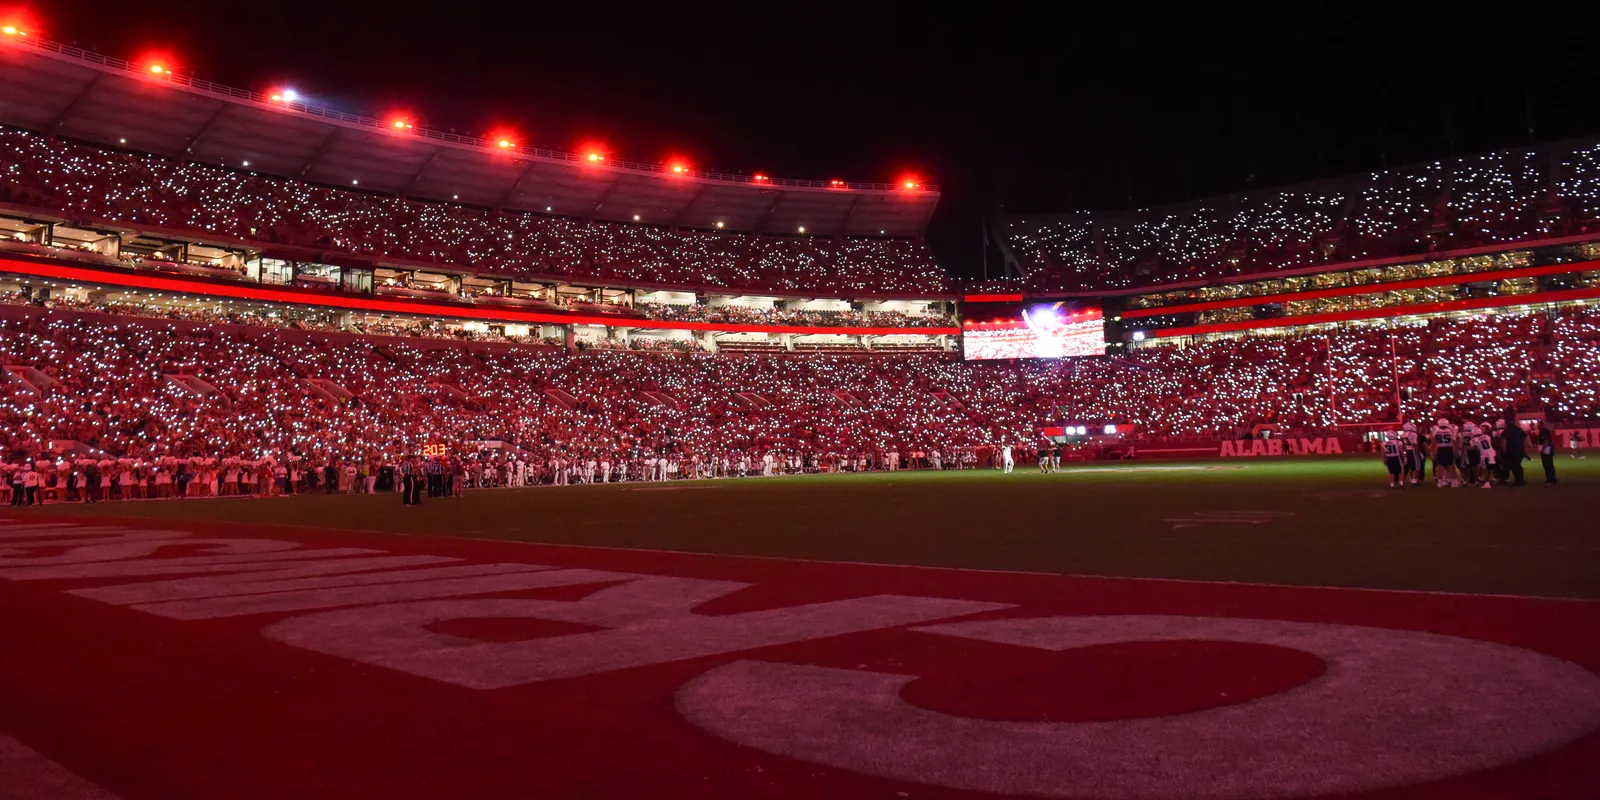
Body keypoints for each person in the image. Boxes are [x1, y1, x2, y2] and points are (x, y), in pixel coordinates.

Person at [1430, 418, 1458, 488]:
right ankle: (1453, 482)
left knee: (1440, 466)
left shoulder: (1436, 431)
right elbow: (1454, 441)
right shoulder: (1451, 430)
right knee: (1450, 465)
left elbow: (1433, 442)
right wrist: (1456, 450)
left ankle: (1440, 482)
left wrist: (1432, 451)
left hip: (1440, 448)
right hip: (1449, 448)